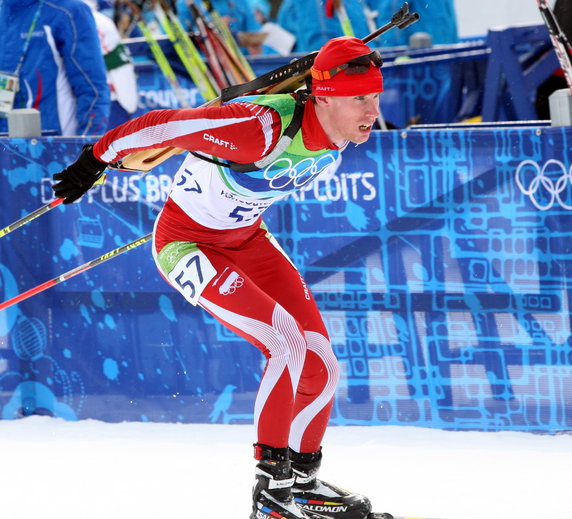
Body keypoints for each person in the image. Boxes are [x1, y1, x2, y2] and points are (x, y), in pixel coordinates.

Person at [51, 36, 386, 519]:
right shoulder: (257, 129)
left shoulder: (338, 132)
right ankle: (271, 494)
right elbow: (161, 125)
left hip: (247, 242)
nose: (373, 109)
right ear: (326, 96)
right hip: (187, 245)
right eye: (361, 98)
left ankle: (304, 484)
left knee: (322, 367)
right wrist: (94, 160)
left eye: (375, 96)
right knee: (286, 344)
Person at [0, 0, 110, 136]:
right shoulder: (4, 10)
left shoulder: (67, 10)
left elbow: (93, 89)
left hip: (54, 145)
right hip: (6, 143)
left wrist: (87, 148)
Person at [277, 0, 370, 53]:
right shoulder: (295, 3)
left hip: (352, 64)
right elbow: (282, 41)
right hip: (309, 67)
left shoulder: (353, 3)